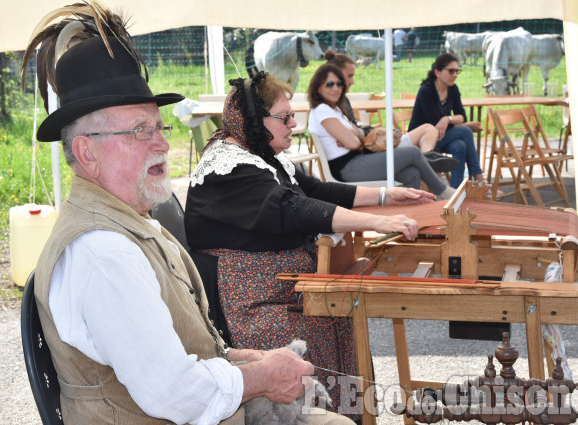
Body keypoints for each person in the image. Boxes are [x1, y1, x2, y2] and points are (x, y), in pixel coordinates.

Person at [24, 5, 354, 425]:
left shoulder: (133, 221)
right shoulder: (101, 251)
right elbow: (175, 395)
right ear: (89, 152)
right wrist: (262, 376)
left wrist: (240, 358)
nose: (161, 144)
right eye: (140, 130)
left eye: (160, 128)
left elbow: (180, 348)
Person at [184, 71, 432, 419]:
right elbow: (296, 208)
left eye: (292, 115)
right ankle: (329, 419)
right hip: (248, 301)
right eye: (284, 117)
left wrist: (385, 195)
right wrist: (376, 222)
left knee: (342, 317)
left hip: (283, 288)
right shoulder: (228, 169)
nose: (293, 124)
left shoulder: (261, 154)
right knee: (316, 331)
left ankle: (349, 418)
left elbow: (315, 191)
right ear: (256, 121)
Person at [307, 63, 456, 198]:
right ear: (318, 87)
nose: (336, 88)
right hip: (348, 168)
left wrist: (354, 134)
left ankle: (410, 217)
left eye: (339, 84)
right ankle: (442, 192)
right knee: (413, 152)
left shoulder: (335, 109)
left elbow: (355, 136)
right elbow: (352, 143)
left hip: (357, 161)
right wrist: (354, 136)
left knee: (412, 173)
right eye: (330, 84)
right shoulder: (322, 110)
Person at [323, 50, 458, 173]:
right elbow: (356, 139)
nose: (352, 81)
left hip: (377, 146)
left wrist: (379, 132)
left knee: (433, 132)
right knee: (435, 133)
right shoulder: (327, 108)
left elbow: (356, 131)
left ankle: (429, 158)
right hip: (374, 151)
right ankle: (429, 160)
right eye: (349, 76)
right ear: (336, 75)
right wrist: (358, 133)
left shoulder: (341, 102)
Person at [408, 53, 490, 189]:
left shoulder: (453, 89)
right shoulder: (426, 91)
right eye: (451, 71)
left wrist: (447, 118)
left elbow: (462, 116)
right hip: (422, 141)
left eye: (457, 71)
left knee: (460, 146)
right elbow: (435, 124)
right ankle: (479, 177)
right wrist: (464, 125)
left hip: (441, 137)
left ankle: (456, 190)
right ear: (437, 72)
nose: (455, 74)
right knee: (465, 131)